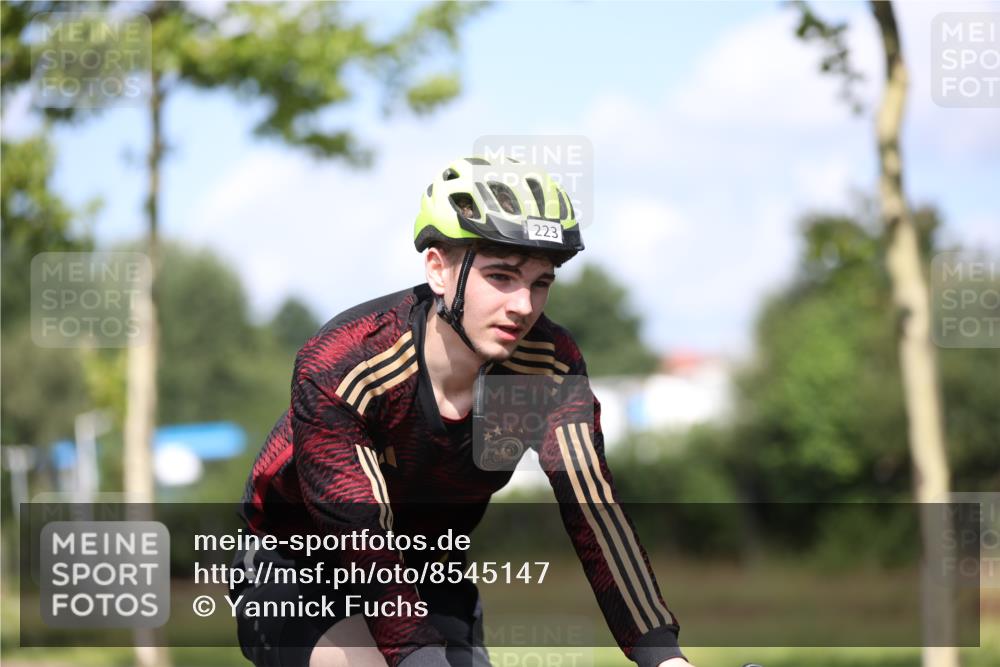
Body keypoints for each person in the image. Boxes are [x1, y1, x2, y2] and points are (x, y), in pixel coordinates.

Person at [229, 156, 693, 667]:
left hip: (432, 565)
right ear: (438, 268)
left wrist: (663, 656)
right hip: (303, 561)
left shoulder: (547, 367)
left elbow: (594, 513)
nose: (524, 305)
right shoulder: (345, 362)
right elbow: (360, 535)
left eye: (541, 282)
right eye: (501, 276)